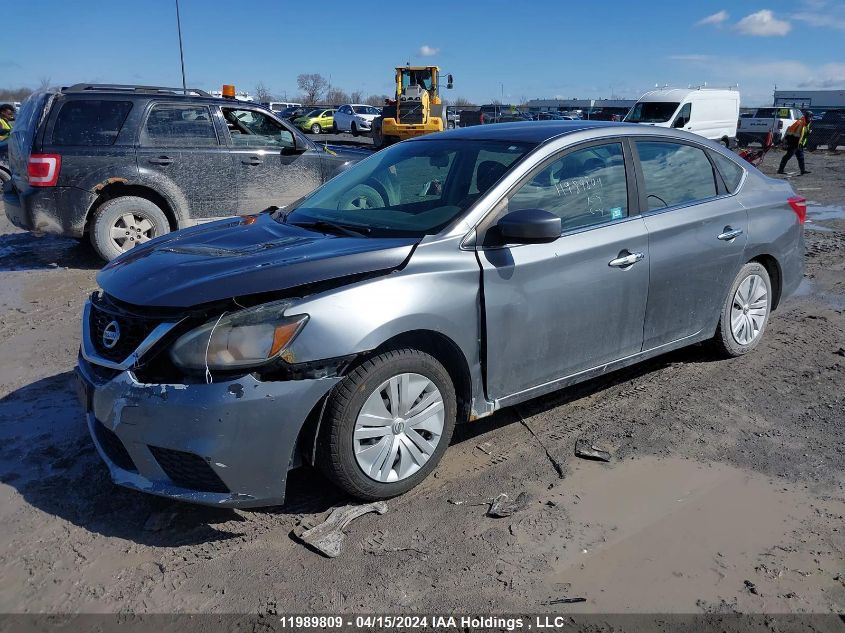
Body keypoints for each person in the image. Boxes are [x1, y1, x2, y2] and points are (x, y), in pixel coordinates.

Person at [778, 110, 813, 175]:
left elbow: (803, 133)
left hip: (799, 143)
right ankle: (780, 170)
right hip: (794, 142)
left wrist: (808, 132)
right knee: (787, 156)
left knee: (801, 157)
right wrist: (786, 141)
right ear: (806, 116)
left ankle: (803, 171)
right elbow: (790, 131)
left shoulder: (806, 123)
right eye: (809, 117)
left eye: (811, 117)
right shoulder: (799, 122)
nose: (811, 118)